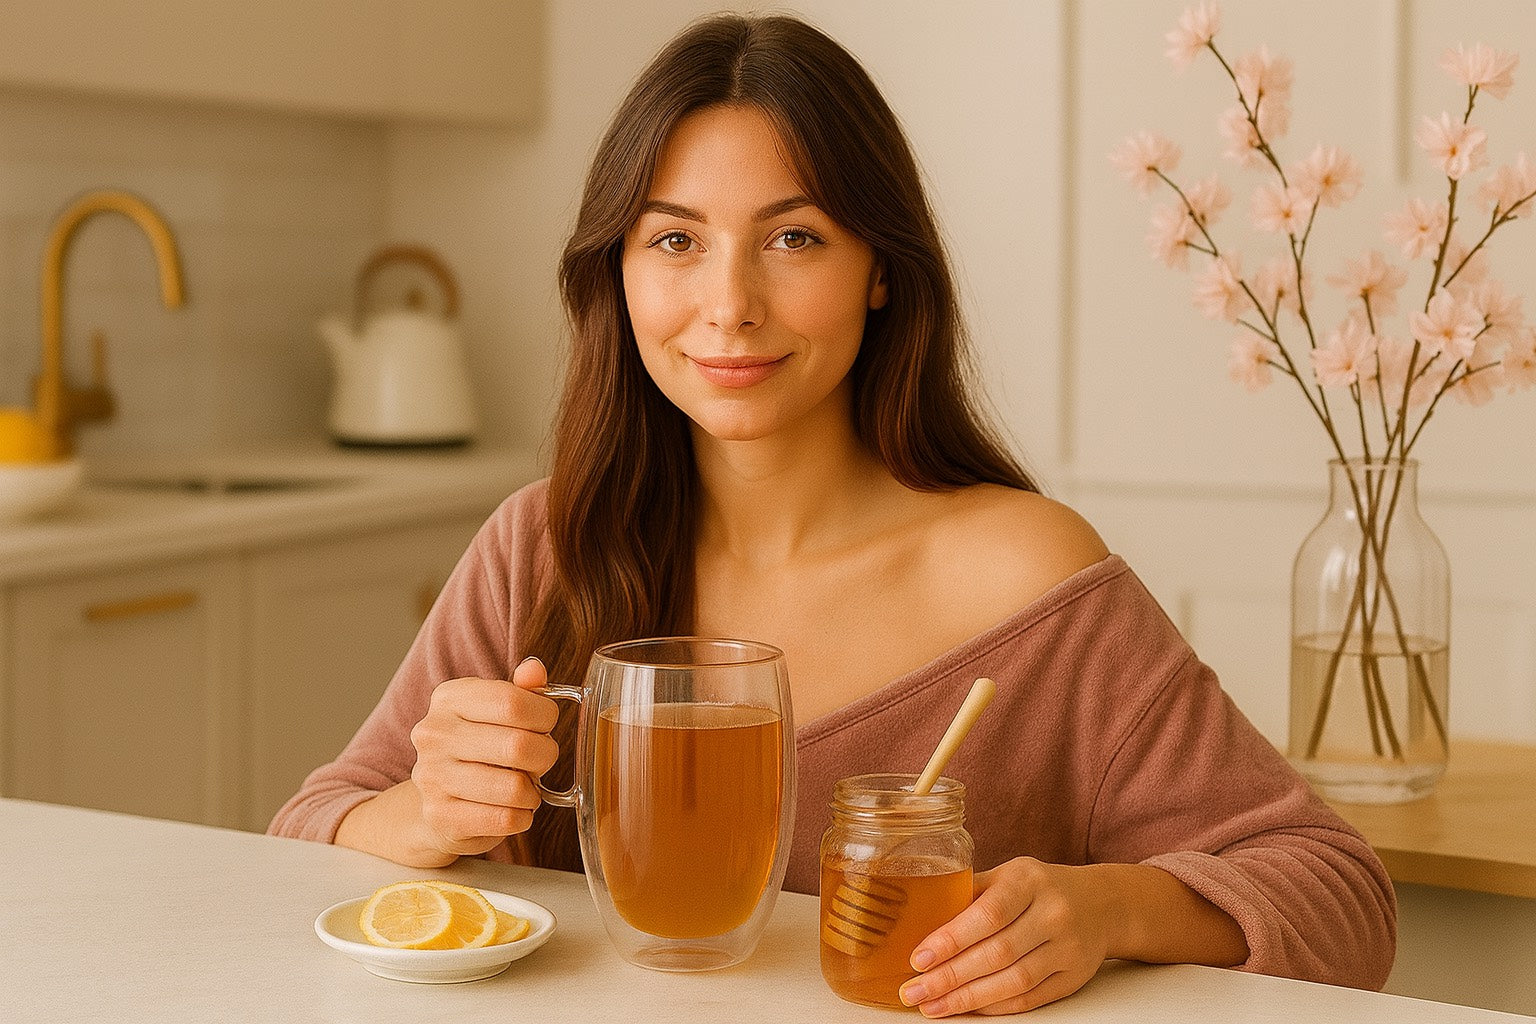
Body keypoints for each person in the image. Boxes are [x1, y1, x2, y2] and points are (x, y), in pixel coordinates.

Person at [271, 12, 1395, 1016]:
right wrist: (423, 812)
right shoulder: (548, 544)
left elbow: (1338, 896)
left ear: (880, 270)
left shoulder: (1025, 574)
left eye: (794, 238)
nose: (729, 305)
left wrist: (1107, 910)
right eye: (674, 240)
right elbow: (309, 835)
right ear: (616, 274)